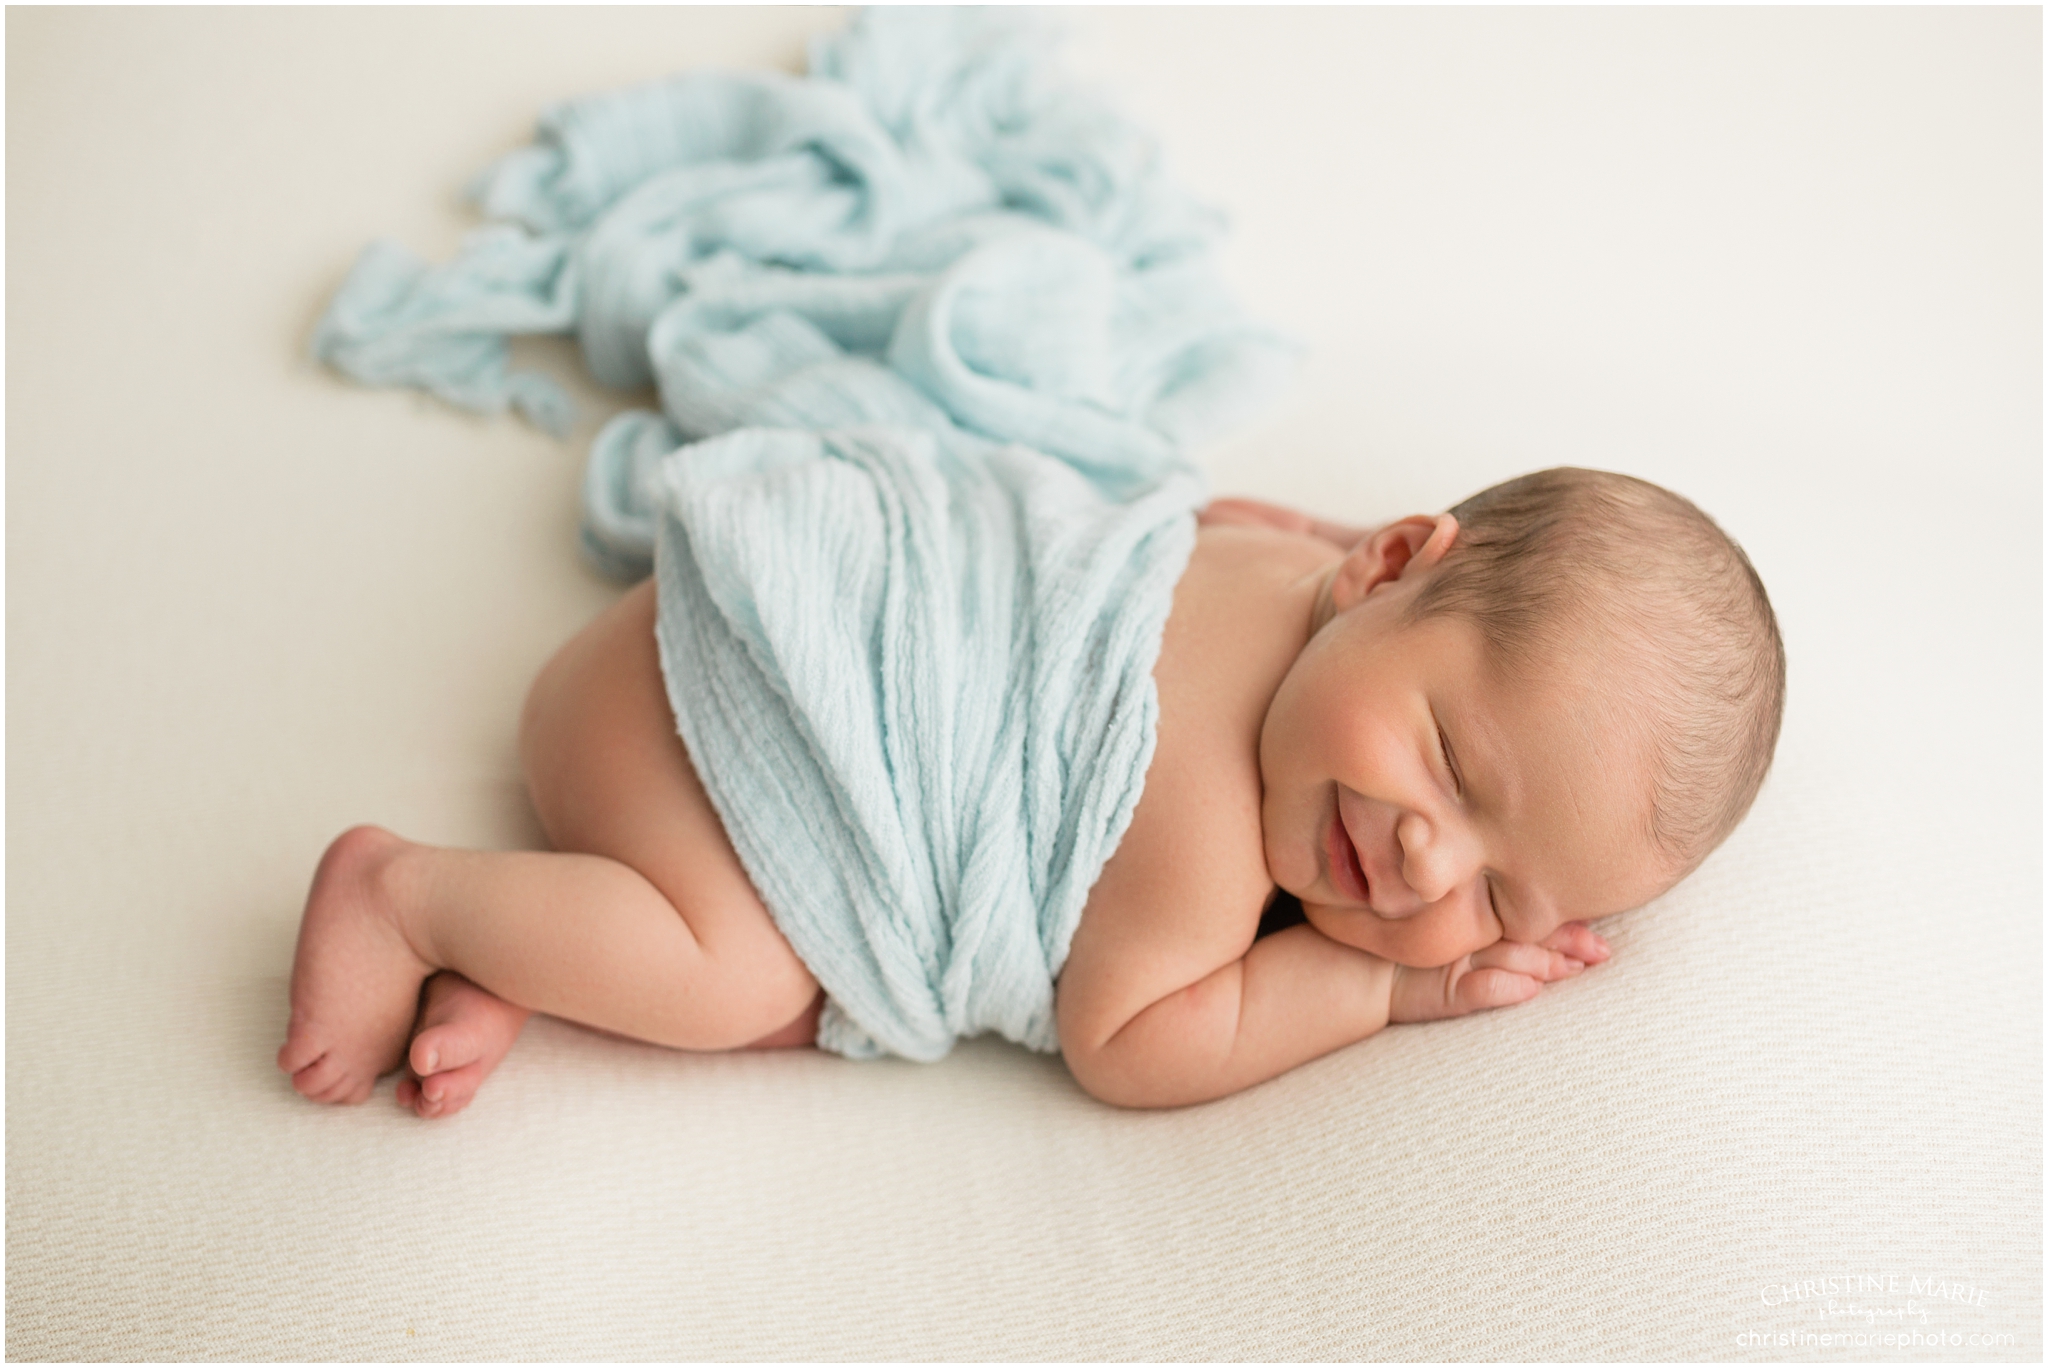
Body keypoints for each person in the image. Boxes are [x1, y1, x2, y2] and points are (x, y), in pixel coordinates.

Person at [277, 466, 1783, 1113]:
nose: (1414, 860)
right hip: (698, 721)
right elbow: (1122, 1043)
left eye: (1495, 899)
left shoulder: (1273, 552)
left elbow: (1208, 513)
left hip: (730, 608)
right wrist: (1385, 997)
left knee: (783, 973)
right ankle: (415, 898)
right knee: (742, 976)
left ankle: (541, 951)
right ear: (1386, 563)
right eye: (1452, 768)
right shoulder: (1196, 844)